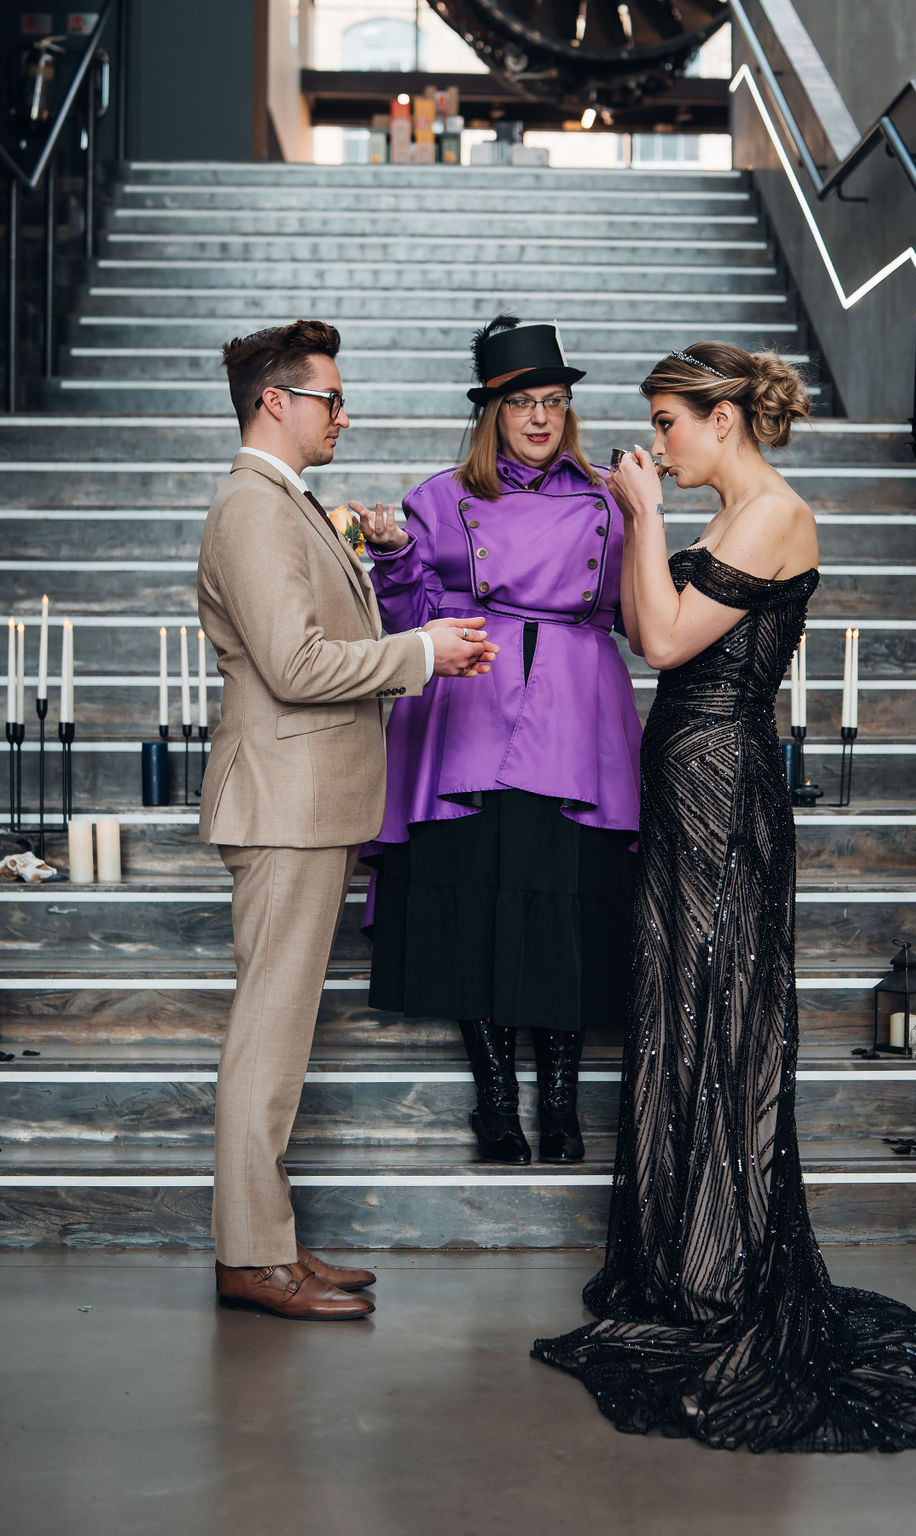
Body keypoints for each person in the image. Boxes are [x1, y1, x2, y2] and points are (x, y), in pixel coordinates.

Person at [532, 344, 916, 1450]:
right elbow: (644, 633)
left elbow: (670, 634)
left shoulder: (772, 513)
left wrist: (634, 515)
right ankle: (686, 1258)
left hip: (723, 789)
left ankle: (725, 1271)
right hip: (683, 778)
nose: (660, 445)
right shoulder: (731, 516)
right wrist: (640, 524)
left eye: (670, 423)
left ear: (723, 418)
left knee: (720, 1012)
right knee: (677, 1009)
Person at [198, 319, 497, 1320]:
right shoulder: (253, 509)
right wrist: (420, 653)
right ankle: (251, 1256)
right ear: (275, 402)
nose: (343, 413)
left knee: (281, 1035)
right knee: (267, 1037)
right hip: (283, 804)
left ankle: (269, 1241)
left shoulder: (287, 505)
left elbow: (313, 635)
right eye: (329, 397)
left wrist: (363, 566)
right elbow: (294, 667)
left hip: (307, 801)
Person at [351, 316, 642, 1165]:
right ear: (492, 412)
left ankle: (558, 1104)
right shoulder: (438, 499)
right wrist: (398, 558)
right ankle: (495, 1104)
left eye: (555, 401)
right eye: (524, 403)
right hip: (469, 713)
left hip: (577, 717)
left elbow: (639, 611)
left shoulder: (609, 500)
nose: (542, 418)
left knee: (564, 909)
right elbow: (402, 625)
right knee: (473, 904)